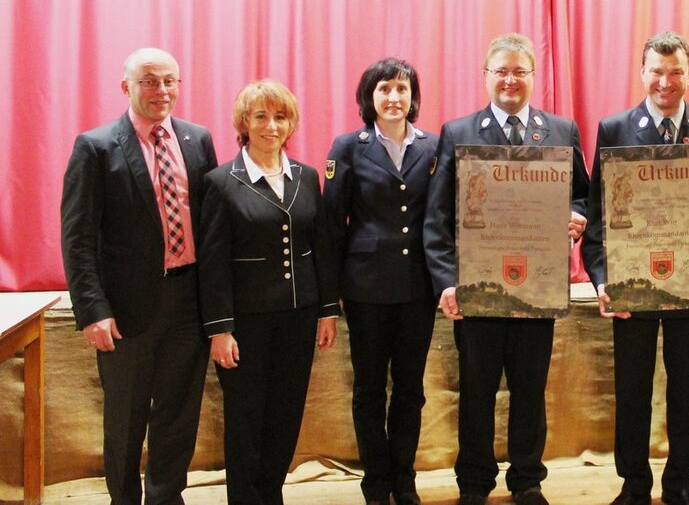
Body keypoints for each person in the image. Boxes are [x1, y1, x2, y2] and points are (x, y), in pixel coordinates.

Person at [423, 33, 590, 505]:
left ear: (533, 76)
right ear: (486, 77)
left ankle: (527, 479)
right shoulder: (458, 132)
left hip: (537, 286)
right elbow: (437, 216)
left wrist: (577, 216)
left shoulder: (561, 131)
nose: (510, 80)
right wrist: (446, 282)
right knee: (476, 392)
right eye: (501, 71)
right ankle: (474, 482)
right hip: (479, 288)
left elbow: (583, 195)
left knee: (529, 390)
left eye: (519, 71)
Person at [581, 31, 689, 505]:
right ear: (642, 72)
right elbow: (598, 213)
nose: (665, 81)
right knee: (632, 389)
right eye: (656, 71)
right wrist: (602, 278)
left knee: (684, 389)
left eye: (675, 72)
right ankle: (634, 484)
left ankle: (680, 484)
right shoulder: (614, 129)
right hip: (632, 281)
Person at [61, 47, 217, 505]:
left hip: (190, 301)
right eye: (149, 81)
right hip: (126, 310)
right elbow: (77, 237)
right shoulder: (96, 146)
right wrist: (93, 310)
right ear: (126, 86)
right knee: (125, 419)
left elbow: (212, 225)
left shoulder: (198, 140)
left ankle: (166, 497)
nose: (161, 90)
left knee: (178, 416)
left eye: (169, 80)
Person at [199, 79, 340, 504]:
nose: (271, 126)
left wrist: (327, 310)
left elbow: (321, 248)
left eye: (280, 117)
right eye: (261, 116)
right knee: (246, 417)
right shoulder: (221, 182)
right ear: (244, 122)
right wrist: (220, 329)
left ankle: (271, 493)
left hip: (299, 317)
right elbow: (213, 263)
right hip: (246, 323)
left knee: (285, 413)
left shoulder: (307, 177)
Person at [324, 58, 438, 505]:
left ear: (413, 97)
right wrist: (330, 294)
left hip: (417, 288)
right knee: (369, 389)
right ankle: (375, 482)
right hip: (365, 288)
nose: (394, 97)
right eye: (384, 89)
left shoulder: (433, 146)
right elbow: (332, 225)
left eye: (402, 89)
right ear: (368, 97)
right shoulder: (348, 147)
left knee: (410, 390)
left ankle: (404, 480)